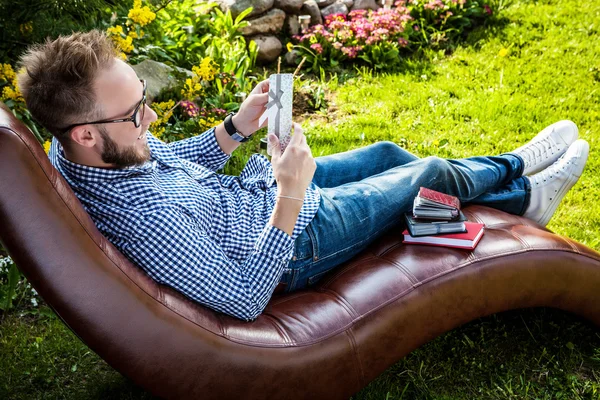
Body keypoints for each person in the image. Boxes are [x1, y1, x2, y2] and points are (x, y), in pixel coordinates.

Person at [17, 30, 589, 321]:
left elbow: (175, 157)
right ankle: (521, 174)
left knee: (391, 153)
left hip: (260, 199)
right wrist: (291, 193)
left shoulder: (89, 149)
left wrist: (236, 127)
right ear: (86, 132)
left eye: (143, 99)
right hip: (294, 246)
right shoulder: (143, 220)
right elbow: (243, 298)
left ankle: (520, 201)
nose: (151, 116)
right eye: (135, 113)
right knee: (427, 173)